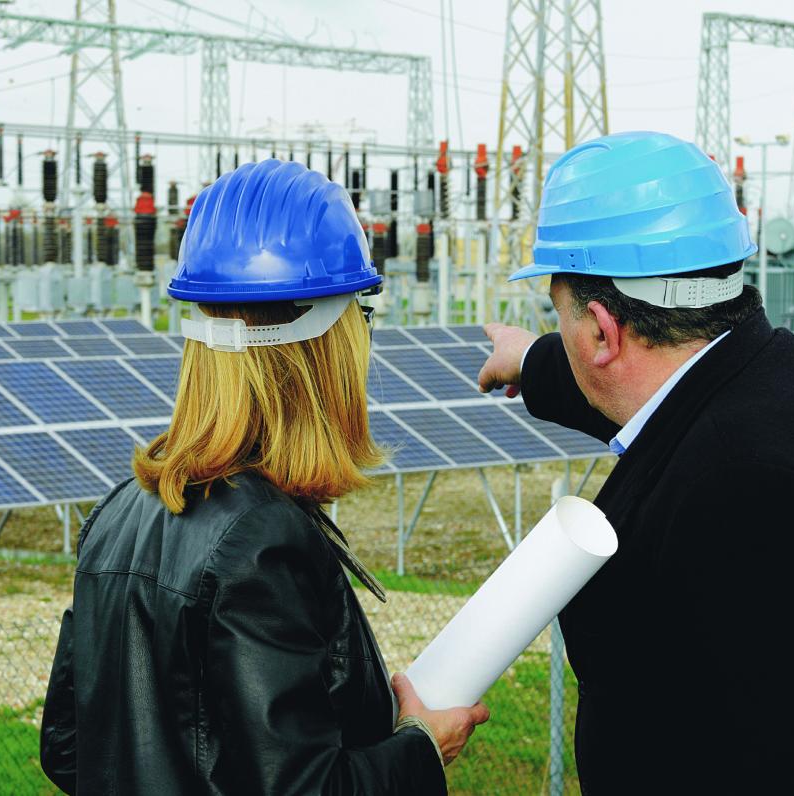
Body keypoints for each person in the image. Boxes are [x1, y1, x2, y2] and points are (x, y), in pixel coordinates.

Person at [478, 131, 794, 792]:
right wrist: (534, 360)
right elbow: (661, 395)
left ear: (601, 329)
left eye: (558, 316)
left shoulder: (750, 497)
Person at [40, 158, 488, 795]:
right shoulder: (261, 542)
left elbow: (68, 747)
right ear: (329, 343)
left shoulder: (119, 515)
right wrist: (419, 749)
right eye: (361, 319)